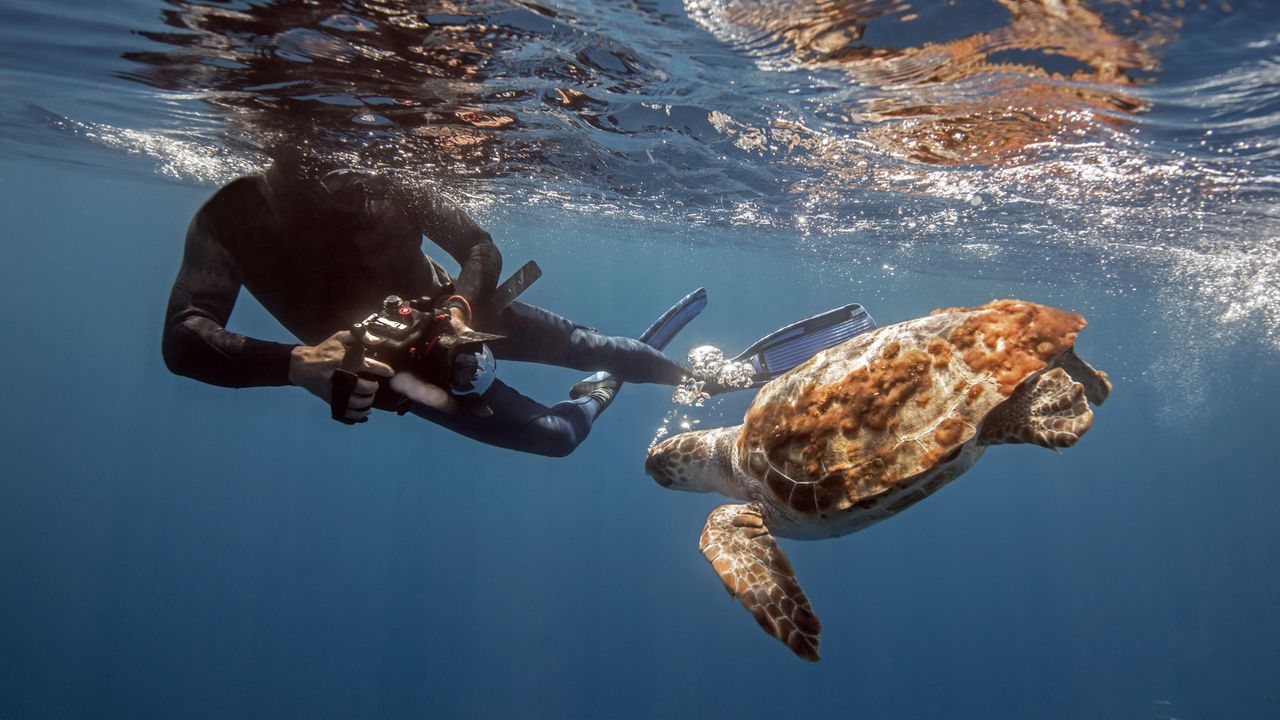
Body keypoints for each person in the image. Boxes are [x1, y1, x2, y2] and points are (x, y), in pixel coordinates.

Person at [162, 154, 701, 457]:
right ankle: (597, 395)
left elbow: (479, 245)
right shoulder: (233, 217)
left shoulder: (386, 174)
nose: (335, 186)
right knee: (555, 437)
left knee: (592, 345)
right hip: (401, 372)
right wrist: (297, 364)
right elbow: (185, 337)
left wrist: (460, 307)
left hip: (461, 310)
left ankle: (706, 376)